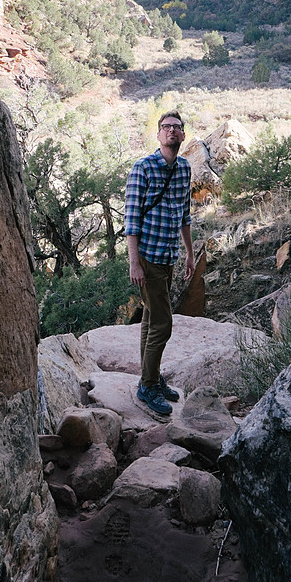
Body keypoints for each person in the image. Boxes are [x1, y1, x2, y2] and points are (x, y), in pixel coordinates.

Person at [124, 110, 195, 416]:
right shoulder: (143, 167)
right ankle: (147, 385)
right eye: (166, 127)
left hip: (168, 256)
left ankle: (150, 377)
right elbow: (131, 218)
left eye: (177, 128)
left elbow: (184, 215)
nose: (171, 132)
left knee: (151, 320)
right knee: (163, 323)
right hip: (148, 258)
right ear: (158, 135)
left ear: (183, 135)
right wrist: (134, 262)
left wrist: (190, 253)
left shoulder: (184, 168)